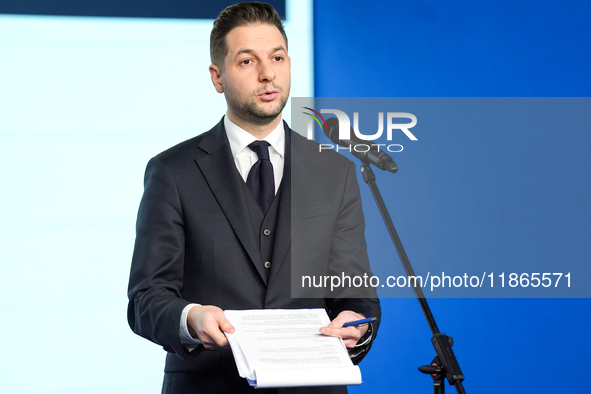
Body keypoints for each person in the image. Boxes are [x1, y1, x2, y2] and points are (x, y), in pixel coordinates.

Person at [127, 2, 381, 393]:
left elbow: (358, 297)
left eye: (277, 57)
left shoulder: (336, 173)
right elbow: (145, 299)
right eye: (247, 61)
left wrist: (356, 325)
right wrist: (189, 317)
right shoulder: (172, 172)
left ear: (290, 65)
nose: (267, 73)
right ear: (217, 76)